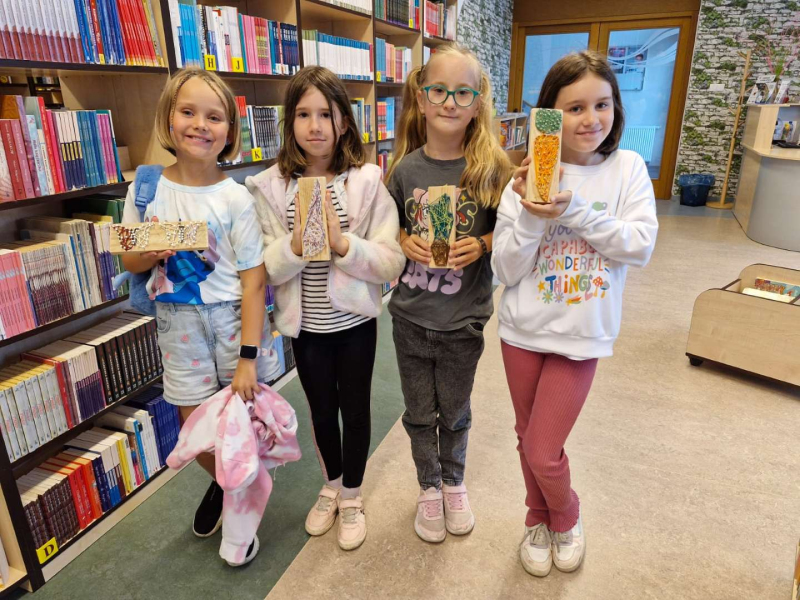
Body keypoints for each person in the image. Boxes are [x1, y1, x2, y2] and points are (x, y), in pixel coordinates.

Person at [491, 50, 659, 577]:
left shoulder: (627, 169)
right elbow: (505, 269)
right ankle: (536, 518)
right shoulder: (522, 180)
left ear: (616, 108)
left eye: (602, 104)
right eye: (575, 108)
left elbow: (639, 246)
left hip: (581, 336)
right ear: (548, 114)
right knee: (527, 438)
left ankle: (565, 514)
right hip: (522, 332)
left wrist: (575, 210)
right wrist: (534, 213)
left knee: (544, 449)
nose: (591, 119)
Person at [121, 67, 281, 566]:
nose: (200, 125)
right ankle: (239, 486)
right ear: (168, 118)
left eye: (214, 117)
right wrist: (149, 252)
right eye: (188, 112)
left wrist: (248, 357)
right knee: (193, 423)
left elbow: (253, 281)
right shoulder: (146, 188)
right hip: (178, 321)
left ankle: (237, 498)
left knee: (242, 418)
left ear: (230, 131)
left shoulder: (236, 196)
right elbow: (129, 259)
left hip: (233, 319)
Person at [246, 66, 405, 551]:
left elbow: (391, 259)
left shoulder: (367, 182)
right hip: (306, 328)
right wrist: (295, 247)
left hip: (354, 323)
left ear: (344, 121)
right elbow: (264, 269)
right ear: (289, 121)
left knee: (355, 409)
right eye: (303, 114)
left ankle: (352, 494)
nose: (315, 126)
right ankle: (332, 483)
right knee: (320, 410)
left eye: (326, 114)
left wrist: (344, 245)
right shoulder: (269, 187)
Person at [385, 44, 513, 543]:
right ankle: (429, 487)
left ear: (478, 103)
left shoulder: (492, 169)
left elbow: (513, 232)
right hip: (411, 317)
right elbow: (385, 229)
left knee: (455, 412)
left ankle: (454, 483)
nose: (449, 102)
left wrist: (481, 244)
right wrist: (402, 239)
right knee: (419, 413)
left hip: (463, 320)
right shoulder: (403, 171)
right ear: (421, 99)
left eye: (463, 93)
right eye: (438, 91)